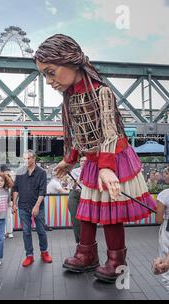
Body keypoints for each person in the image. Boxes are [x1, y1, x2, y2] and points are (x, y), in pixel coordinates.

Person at [35, 34, 156, 282]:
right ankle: (87, 254)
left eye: (51, 72)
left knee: (111, 213)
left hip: (113, 159)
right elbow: (79, 134)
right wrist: (70, 158)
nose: (48, 81)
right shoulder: (70, 98)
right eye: (44, 75)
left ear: (71, 61)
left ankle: (116, 261)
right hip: (94, 162)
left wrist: (107, 167)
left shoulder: (103, 93)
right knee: (86, 211)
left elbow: (111, 133)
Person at [12, 150, 52, 267]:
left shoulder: (41, 172)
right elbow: (15, 188)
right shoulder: (19, 172)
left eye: (28, 158)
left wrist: (36, 206)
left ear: (34, 158)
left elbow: (42, 191)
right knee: (26, 232)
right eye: (24, 158)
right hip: (23, 206)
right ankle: (29, 255)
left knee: (41, 230)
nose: (26, 160)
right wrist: (14, 203)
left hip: (38, 206)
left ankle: (44, 252)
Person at [151, 188, 169, 290]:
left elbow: (158, 219)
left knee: (165, 264)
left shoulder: (164, 194)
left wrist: (158, 211)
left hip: (167, 231)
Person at [67, 156, 87, 243]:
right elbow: (73, 185)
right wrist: (80, 176)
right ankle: (79, 241)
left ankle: (87, 240)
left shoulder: (92, 171)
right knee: (75, 218)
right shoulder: (75, 171)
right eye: (81, 161)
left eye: (85, 161)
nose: (83, 162)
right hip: (75, 193)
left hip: (86, 194)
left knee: (86, 219)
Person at [0, 164, 15, 239]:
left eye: (8, 170)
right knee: (2, 217)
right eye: (6, 170)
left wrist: (12, 200)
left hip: (8, 200)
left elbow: (12, 190)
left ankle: (9, 232)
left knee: (9, 216)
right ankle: (3, 232)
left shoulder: (10, 178)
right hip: (1, 200)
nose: (7, 172)